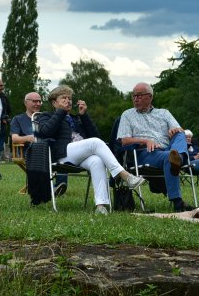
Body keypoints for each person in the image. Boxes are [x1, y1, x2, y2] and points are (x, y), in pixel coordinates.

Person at [35, 85, 145, 213]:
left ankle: (101, 206)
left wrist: (84, 116)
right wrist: (60, 112)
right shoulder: (45, 116)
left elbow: (96, 137)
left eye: (70, 98)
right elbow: (45, 132)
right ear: (54, 102)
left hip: (80, 155)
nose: (68, 101)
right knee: (95, 143)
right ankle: (124, 175)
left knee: (96, 160)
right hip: (62, 154)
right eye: (63, 98)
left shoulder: (76, 118)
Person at [117, 82, 192, 212]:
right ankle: (178, 202)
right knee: (169, 157)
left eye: (139, 95)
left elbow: (178, 128)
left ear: (150, 97)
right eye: (133, 96)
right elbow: (124, 141)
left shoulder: (164, 113)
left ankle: (177, 157)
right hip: (145, 153)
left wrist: (174, 131)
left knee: (180, 133)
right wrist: (145, 141)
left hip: (167, 150)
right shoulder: (127, 115)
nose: (135, 99)